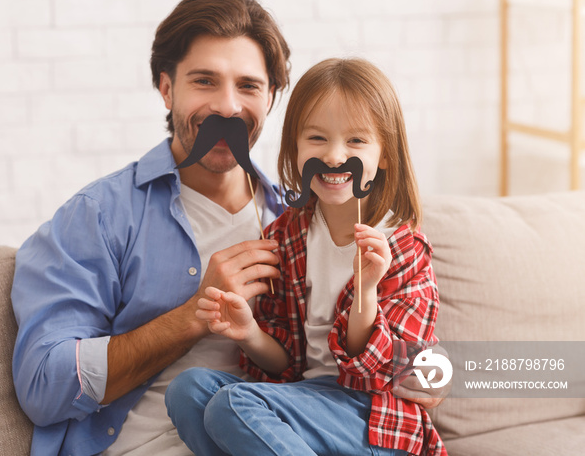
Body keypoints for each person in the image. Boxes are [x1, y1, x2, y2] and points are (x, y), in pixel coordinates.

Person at [11, 0, 445, 456]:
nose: (227, 107)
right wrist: (191, 317)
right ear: (165, 88)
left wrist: (429, 370)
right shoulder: (101, 216)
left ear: (272, 98)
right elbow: (41, 386)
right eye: (204, 81)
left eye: (248, 86)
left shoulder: (300, 218)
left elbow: (390, 357)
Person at [164, 58, 447, 456]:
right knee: (187, 390)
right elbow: (287, 365)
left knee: (234, 405)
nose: (334, 156)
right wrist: (249, 334)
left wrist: (366, 289)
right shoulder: (286, 237)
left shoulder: (403, 248)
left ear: (384, 154)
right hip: (303, 401)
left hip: (374, 417)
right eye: (317, 138)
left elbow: (385, 373)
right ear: (295, 147)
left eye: (356, 141)